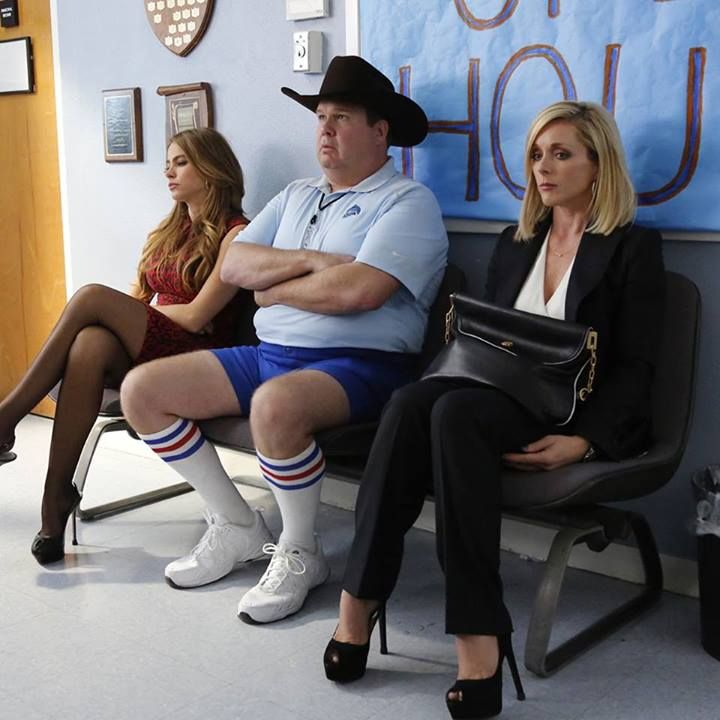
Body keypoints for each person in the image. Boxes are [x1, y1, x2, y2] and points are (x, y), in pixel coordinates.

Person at [324, 101, 666, 719]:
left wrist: (585, 442)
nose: (543, 167)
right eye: (537, 154)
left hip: (566, 408)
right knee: (408, 404)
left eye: (561, 153)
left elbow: (638, 366)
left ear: (598, 163)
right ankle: (361, 597)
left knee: (454, 416)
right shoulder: (517, 241)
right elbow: (487, 343)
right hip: (494, 392)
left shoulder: (632, 248)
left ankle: (477, 637)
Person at [119, 55, 448, 624]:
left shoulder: (407, 202)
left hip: (361, 365)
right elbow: (236, 265)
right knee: (142, 390)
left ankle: (300, 550)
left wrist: (275, 290)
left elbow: (360, 292)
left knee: (276, 405)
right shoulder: (295, 195)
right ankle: (239, 525)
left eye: (340, 117)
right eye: (320, 116)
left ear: (379, 131)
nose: (324, 129)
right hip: (271, 355)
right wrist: (309, 262)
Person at [0, 128, 250, 565]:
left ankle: (6, 418)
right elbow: (143, 303)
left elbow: (194, 317)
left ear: (212, 169)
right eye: (168, 162)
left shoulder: (237, 234)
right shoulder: (170, 230)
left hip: (201, 358)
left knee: (92, 297)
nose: (168, 171)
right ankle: (54, 500)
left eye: (180, 162)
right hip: (159, 345)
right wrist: (133, 315)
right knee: (90, 345)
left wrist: (137, 314)